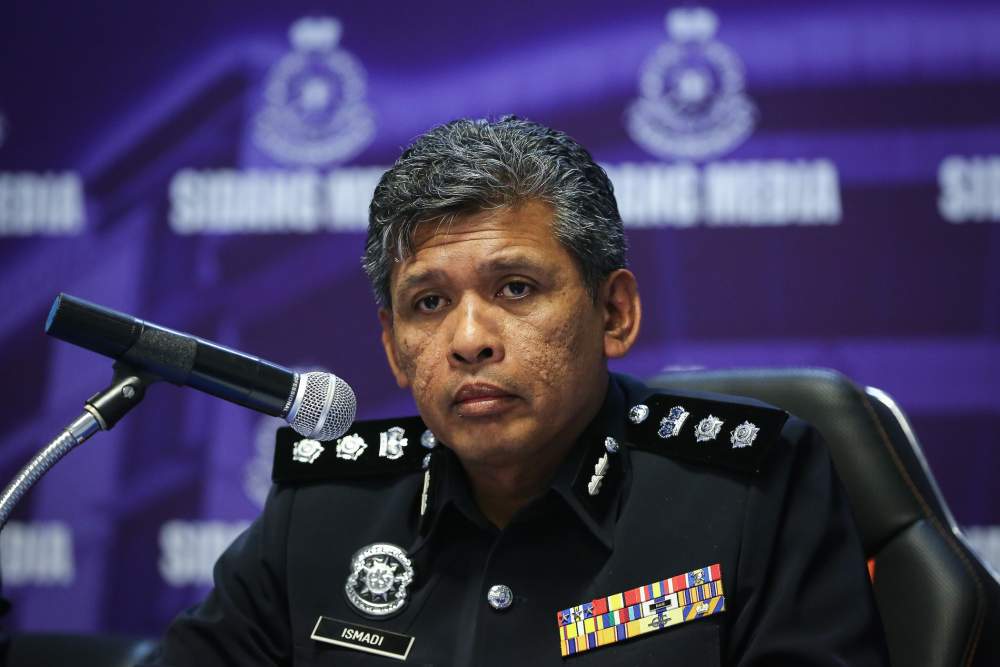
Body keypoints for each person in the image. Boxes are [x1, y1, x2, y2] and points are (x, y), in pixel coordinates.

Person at [142, 117, 889, 665]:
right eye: (428, 303)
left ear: (614, 312)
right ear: (393, 350)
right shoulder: (323, 509)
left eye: (516, 287)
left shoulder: (749, 490)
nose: (469, 338)